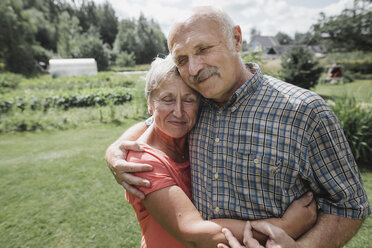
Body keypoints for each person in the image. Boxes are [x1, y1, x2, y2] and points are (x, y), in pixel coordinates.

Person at [106, 6, 370, 247]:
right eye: (182, 59)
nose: (195, 68)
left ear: (236, 39)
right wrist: (115, 151)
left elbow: (350, 206)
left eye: (203, 49)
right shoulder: (195, 105)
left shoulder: (304, 111)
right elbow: (153, 123)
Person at [124, 55, 316, 248]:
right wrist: (285, 227)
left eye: (189, 100)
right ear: (149, 102)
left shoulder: (192, 137)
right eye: (167, 99)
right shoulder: (142, 161)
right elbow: (192, 232)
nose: (179, 111)